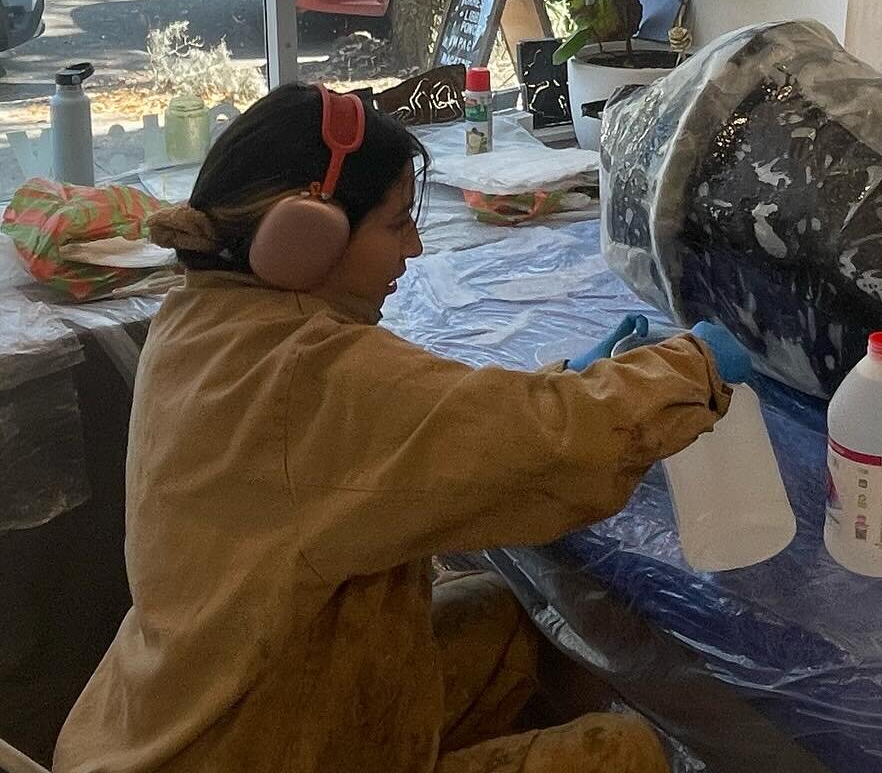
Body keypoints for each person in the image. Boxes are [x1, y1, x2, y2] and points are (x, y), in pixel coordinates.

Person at [53, 84, 751, 773]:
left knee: (512, 625)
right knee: (623, 755)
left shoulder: (205, 315)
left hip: (197, 710)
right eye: (395, 224)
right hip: (246, 747)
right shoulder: (311, 375)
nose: (413, 248)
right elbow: (540, 442)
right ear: (307, 236)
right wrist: (690, 370)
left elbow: (436, 419)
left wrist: (568, 377)